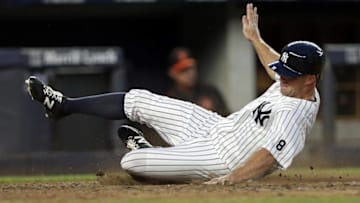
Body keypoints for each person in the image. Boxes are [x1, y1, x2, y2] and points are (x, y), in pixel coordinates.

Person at [25, 3, 324, 184]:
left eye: (290, 75)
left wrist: (230, 180)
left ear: (310, 79)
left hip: (220, 158)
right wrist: (255, 39)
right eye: (283, 72)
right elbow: (273, 64)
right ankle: (64, 105)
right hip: (216, 126)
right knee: (139, 99)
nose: (282, 78)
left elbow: (269, 156)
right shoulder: (292, 81)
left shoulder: (295, 115)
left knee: (133, 164)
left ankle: (143, 149)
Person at [167, 47, 229, 116]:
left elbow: (227, 116)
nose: (190, 73)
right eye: (183, 70)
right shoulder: (171, 100)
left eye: (192, 68)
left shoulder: (209, 90)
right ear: (172, 73)